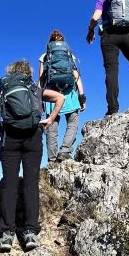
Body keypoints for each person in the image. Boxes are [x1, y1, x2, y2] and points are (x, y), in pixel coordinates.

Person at [0, 60, 64, 252]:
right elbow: (60, 97)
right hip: (33, 138)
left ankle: (6, 234)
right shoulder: (36, 89)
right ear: (29, 73)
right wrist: (50, 119)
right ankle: (30, 232)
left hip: (9, 138)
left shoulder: (4, 89)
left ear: (11, 73)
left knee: (9, 184)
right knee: (30, 184)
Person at [39, 30, 86, 162]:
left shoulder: (44, 57)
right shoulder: (69, 54)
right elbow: (76, 77)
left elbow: (41, 80)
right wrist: (82, 97)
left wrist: (39, 100)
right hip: (70, 94)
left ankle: (52, 160)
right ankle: (64, 152)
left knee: (51, 128)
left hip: (51, 95)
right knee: (72, 123)